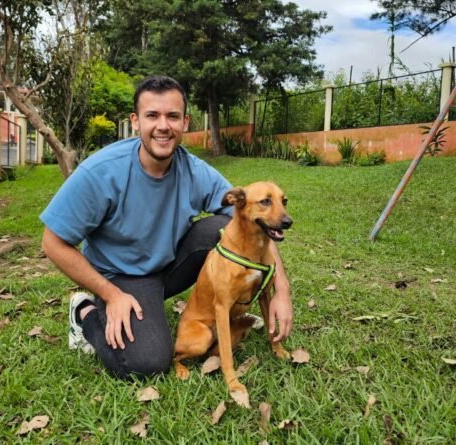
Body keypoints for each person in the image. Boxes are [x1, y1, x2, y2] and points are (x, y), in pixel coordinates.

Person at [40, 75, 293, 379]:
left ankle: (221, 306)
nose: (163, 126)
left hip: (171, 266)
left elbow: (254, 218)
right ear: (136, 121)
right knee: (146, 362)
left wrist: (281, 287)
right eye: (152, 116)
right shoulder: (101, 171)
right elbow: (52, 243)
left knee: (223, 224)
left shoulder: (194, 169)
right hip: (122, 278)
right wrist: (111, 294)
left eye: (172, 116)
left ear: (185, 122)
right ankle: (85, 314)